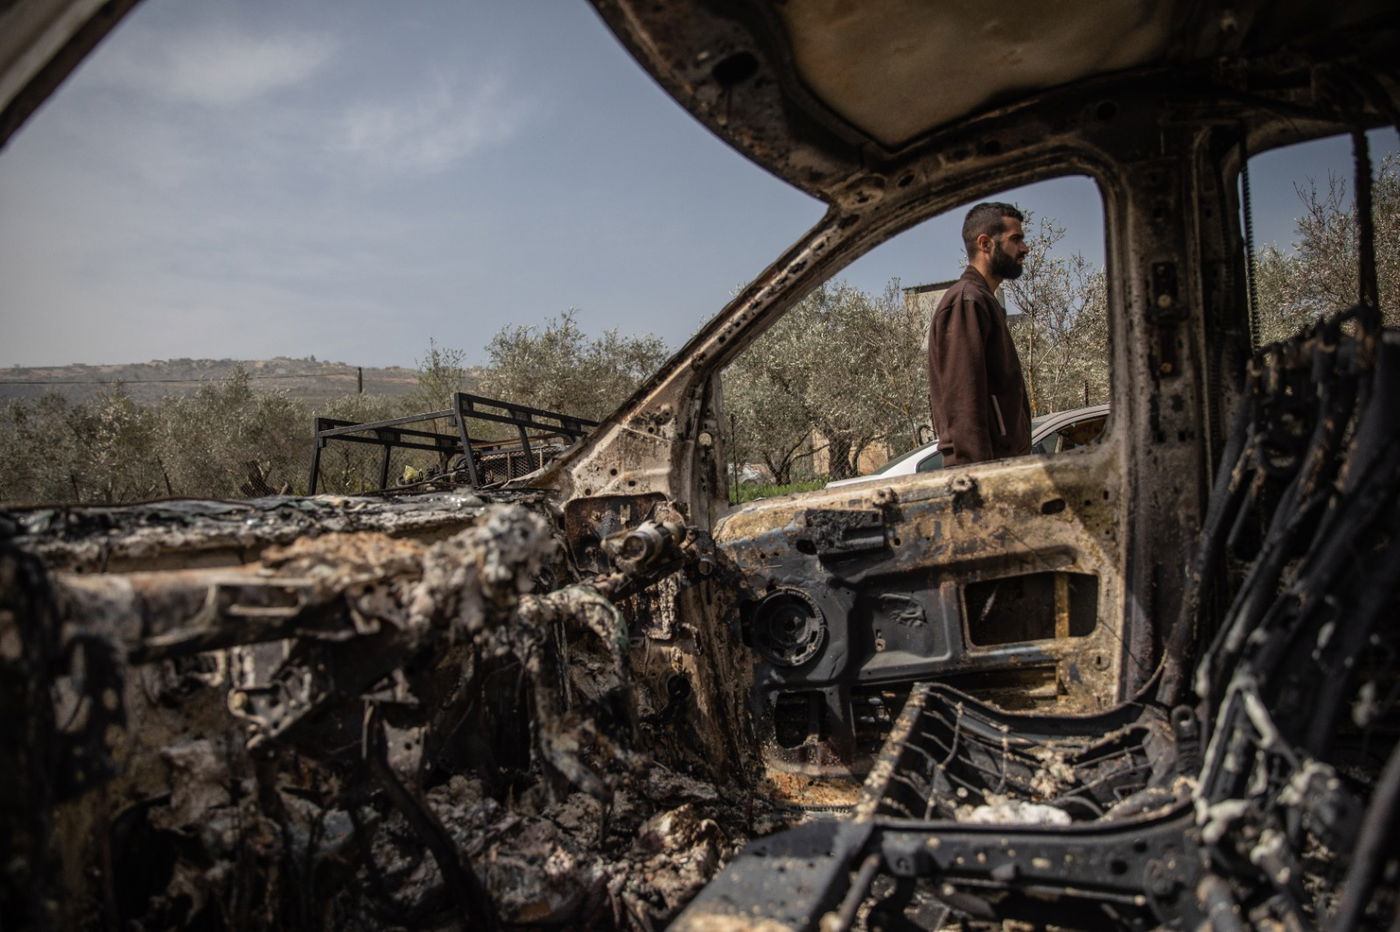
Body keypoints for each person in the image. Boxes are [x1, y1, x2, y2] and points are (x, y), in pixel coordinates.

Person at [926, 202, 1033, 466]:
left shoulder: (982, 301)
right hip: (983, 474)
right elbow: (963, 404)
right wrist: (978, 483)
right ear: (985, 243)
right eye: (1015, 239)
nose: (1024, 248)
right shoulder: (967, 302)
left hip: (998, 467)